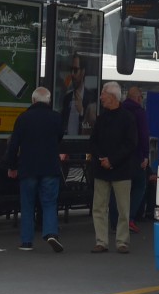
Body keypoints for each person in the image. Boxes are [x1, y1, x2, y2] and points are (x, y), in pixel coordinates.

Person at [6, 86, 67, 253]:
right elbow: (60, 137)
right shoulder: (56, 117)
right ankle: (51, 233)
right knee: (49, 202)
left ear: (33, 100)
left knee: (27, 204)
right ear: (48, 101)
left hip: (28, 167)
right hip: (50, 167)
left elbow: (14, 144)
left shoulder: (23, 118)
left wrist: (12, 166)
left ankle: (26, 242)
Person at [89, 81, 136, 254]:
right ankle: (101, 241)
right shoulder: (102, 118)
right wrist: (102, 158)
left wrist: (111, 160)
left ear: (113, 96)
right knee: (99, 207)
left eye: (103, 94)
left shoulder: (127, 118)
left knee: (123, 208)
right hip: (104, 168)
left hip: (121, 169)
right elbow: (93, 141)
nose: (101, 97)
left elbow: (131, 143)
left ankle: (122, 241)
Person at [121, 86, 151, 232]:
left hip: (120, 157)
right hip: (136, 156)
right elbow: (144, 135)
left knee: (121, 189)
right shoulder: (139, 113)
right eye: (141, 97)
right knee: (140, 185)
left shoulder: (120, 110)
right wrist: (145, 155)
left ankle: (117, 220)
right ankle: (130, 218)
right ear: (138, 98)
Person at [61, 53, 98, 137]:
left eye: (75, 70)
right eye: (71, 70)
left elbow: (93, 125)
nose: (72, 74)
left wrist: (82, 111)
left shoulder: (91, 98)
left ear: (83, 72)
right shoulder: (67, 98)